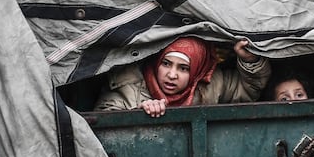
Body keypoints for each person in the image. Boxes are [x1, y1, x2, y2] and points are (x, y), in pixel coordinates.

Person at [94, 36, 271, 117]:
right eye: (166, 63)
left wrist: (250, 60)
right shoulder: (128, 84)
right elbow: (102, 119)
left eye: (184, 68)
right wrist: (138, 113)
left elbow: (249, 89)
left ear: (196, 71)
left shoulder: (212, 84)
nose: (172, 75)